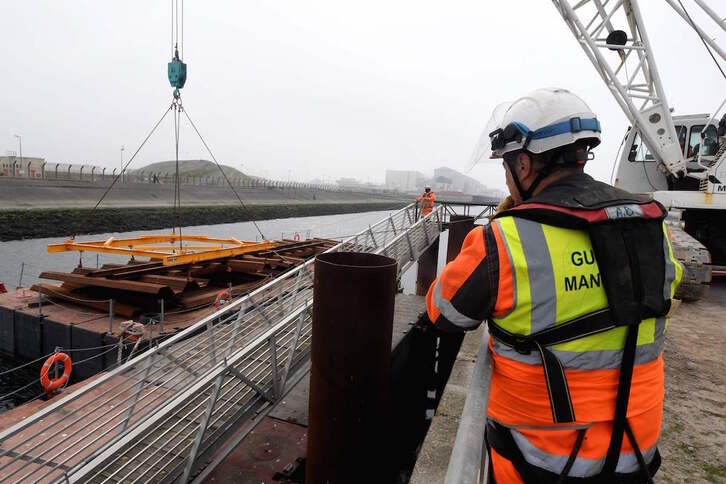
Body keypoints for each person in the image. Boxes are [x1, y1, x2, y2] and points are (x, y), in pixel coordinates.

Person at [426, 88, 682, 483]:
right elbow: (669, 284)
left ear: (525, 166)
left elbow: (444, 312)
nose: (508, 177)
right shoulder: (652, 229)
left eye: (507, 168)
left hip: (540, 460)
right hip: (634, 453)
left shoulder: (504, 241)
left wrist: (489, 236)